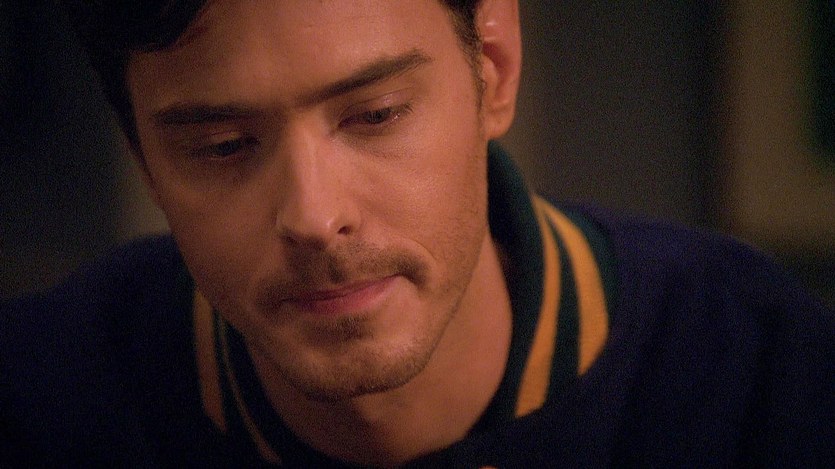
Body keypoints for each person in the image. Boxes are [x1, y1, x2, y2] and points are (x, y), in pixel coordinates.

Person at [1, 0, 832, 467]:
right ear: (144, 160)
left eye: (375, 115)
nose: (314, 216)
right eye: (222, 147)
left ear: (493, 68)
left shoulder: (759, 376)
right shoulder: (41, 403)